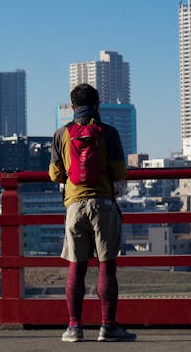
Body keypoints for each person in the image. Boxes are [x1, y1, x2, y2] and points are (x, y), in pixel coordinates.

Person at [49, 83, 137, 343]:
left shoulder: (61, 133)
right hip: (103, 205)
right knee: (106, 266)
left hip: (75, 206)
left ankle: (74, 327)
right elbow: (120, 172)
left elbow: (54, 174)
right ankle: (108, 327)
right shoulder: (108, 132)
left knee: (76, 267)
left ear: (73, 107)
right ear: (98, 106)